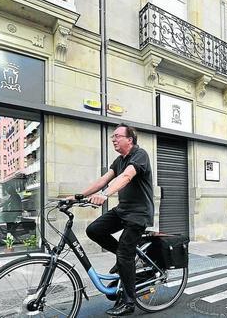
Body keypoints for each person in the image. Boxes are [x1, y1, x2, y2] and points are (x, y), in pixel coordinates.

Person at [75, 123, 153, 316]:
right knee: (93, 230)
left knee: (125, 255)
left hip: (138, 214)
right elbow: (104, 179)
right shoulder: (119, 160)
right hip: (122, 210)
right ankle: (125, 258)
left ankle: (129, 302)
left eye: (117, 136)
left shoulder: (139, 155)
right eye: (113, 137)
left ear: (130, 139)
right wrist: (78, 196)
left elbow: (127, 176)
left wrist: (106, 194)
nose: (113, 139)